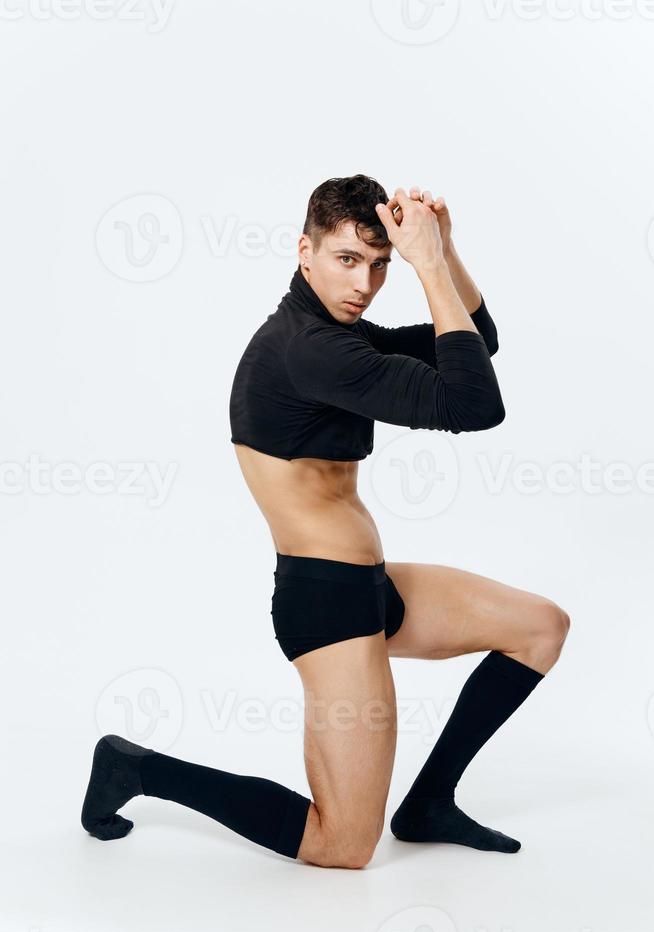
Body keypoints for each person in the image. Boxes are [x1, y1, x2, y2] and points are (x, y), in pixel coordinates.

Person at [81, 175, 570, 869]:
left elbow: (474, 339)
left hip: (369, 582)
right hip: (326, 604)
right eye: (347, 259)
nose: (366, 282)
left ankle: (428, 803)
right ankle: (138, 769)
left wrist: (446, 249)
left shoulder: (342, 335)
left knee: (539, 628)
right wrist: (424, 263)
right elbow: (474, 404)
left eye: (381, 264)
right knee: (341, 843)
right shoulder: (311, 351)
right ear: (304, 250)